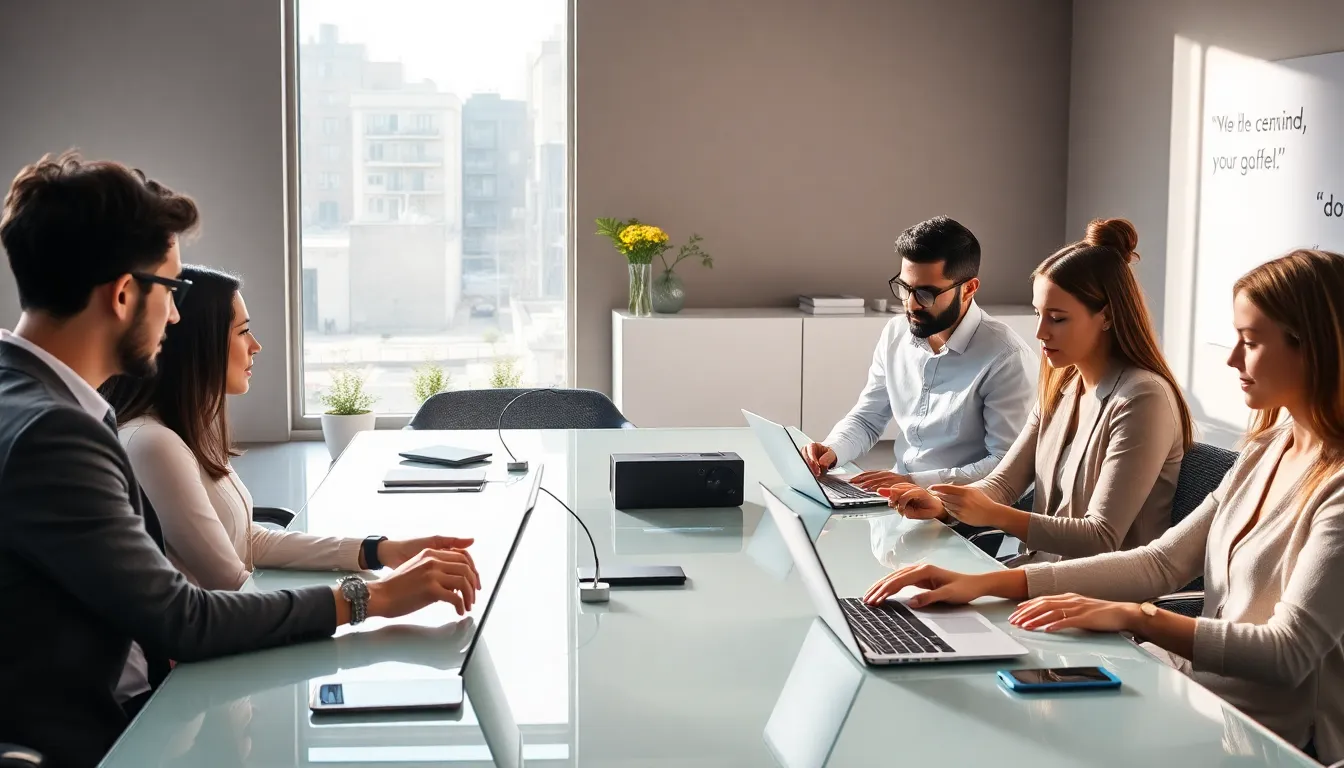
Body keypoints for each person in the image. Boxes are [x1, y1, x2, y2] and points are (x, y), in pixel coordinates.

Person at [0, 152, 480, 768]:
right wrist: (373, 598)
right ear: (123, 294)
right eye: (170, 291)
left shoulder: (36, 400)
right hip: (102, 740)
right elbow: (183, 619)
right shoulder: (53, 432)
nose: (175, 315)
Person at [862, 249, 1344, 764]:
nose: (1231, 360)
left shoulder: (1333, 485)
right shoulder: (1269, 447)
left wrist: (1137, 617)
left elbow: (1288, 654)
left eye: (1249, 342)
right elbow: (1162, 561)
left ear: (1314, 347)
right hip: (1200, 700)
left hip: (1273, 742)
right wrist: (987, 583)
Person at [99, 265, 465, 592]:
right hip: (213, 654)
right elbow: (231, 584)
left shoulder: (180, 431)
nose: (255, 346)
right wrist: (369, 599)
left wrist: (380, 550)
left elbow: (249, 544)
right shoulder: (153, 443)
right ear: (199, 344)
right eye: (242, 332)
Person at [879, 219, 1193, 562]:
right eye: (1037, 314)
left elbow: (1101, 537)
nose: (1040, 332)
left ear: (1106, 316)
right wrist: (942, 506)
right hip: (1041, 579)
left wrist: (993, 515)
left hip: (1098, 601)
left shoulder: (1143, 399)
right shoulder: (1062, 387)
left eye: (1057, 318)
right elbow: (1003, 485)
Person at [802, 216, 1035, 490]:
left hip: (963, 513)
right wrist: (832, 450)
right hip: (900, 496)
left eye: (926, 293)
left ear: (969, 289)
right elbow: (868, 418)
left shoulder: (1006, 357)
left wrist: (915, 482)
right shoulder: (896, 332)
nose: (911, 304)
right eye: (905, 288)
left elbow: (1007, 467)